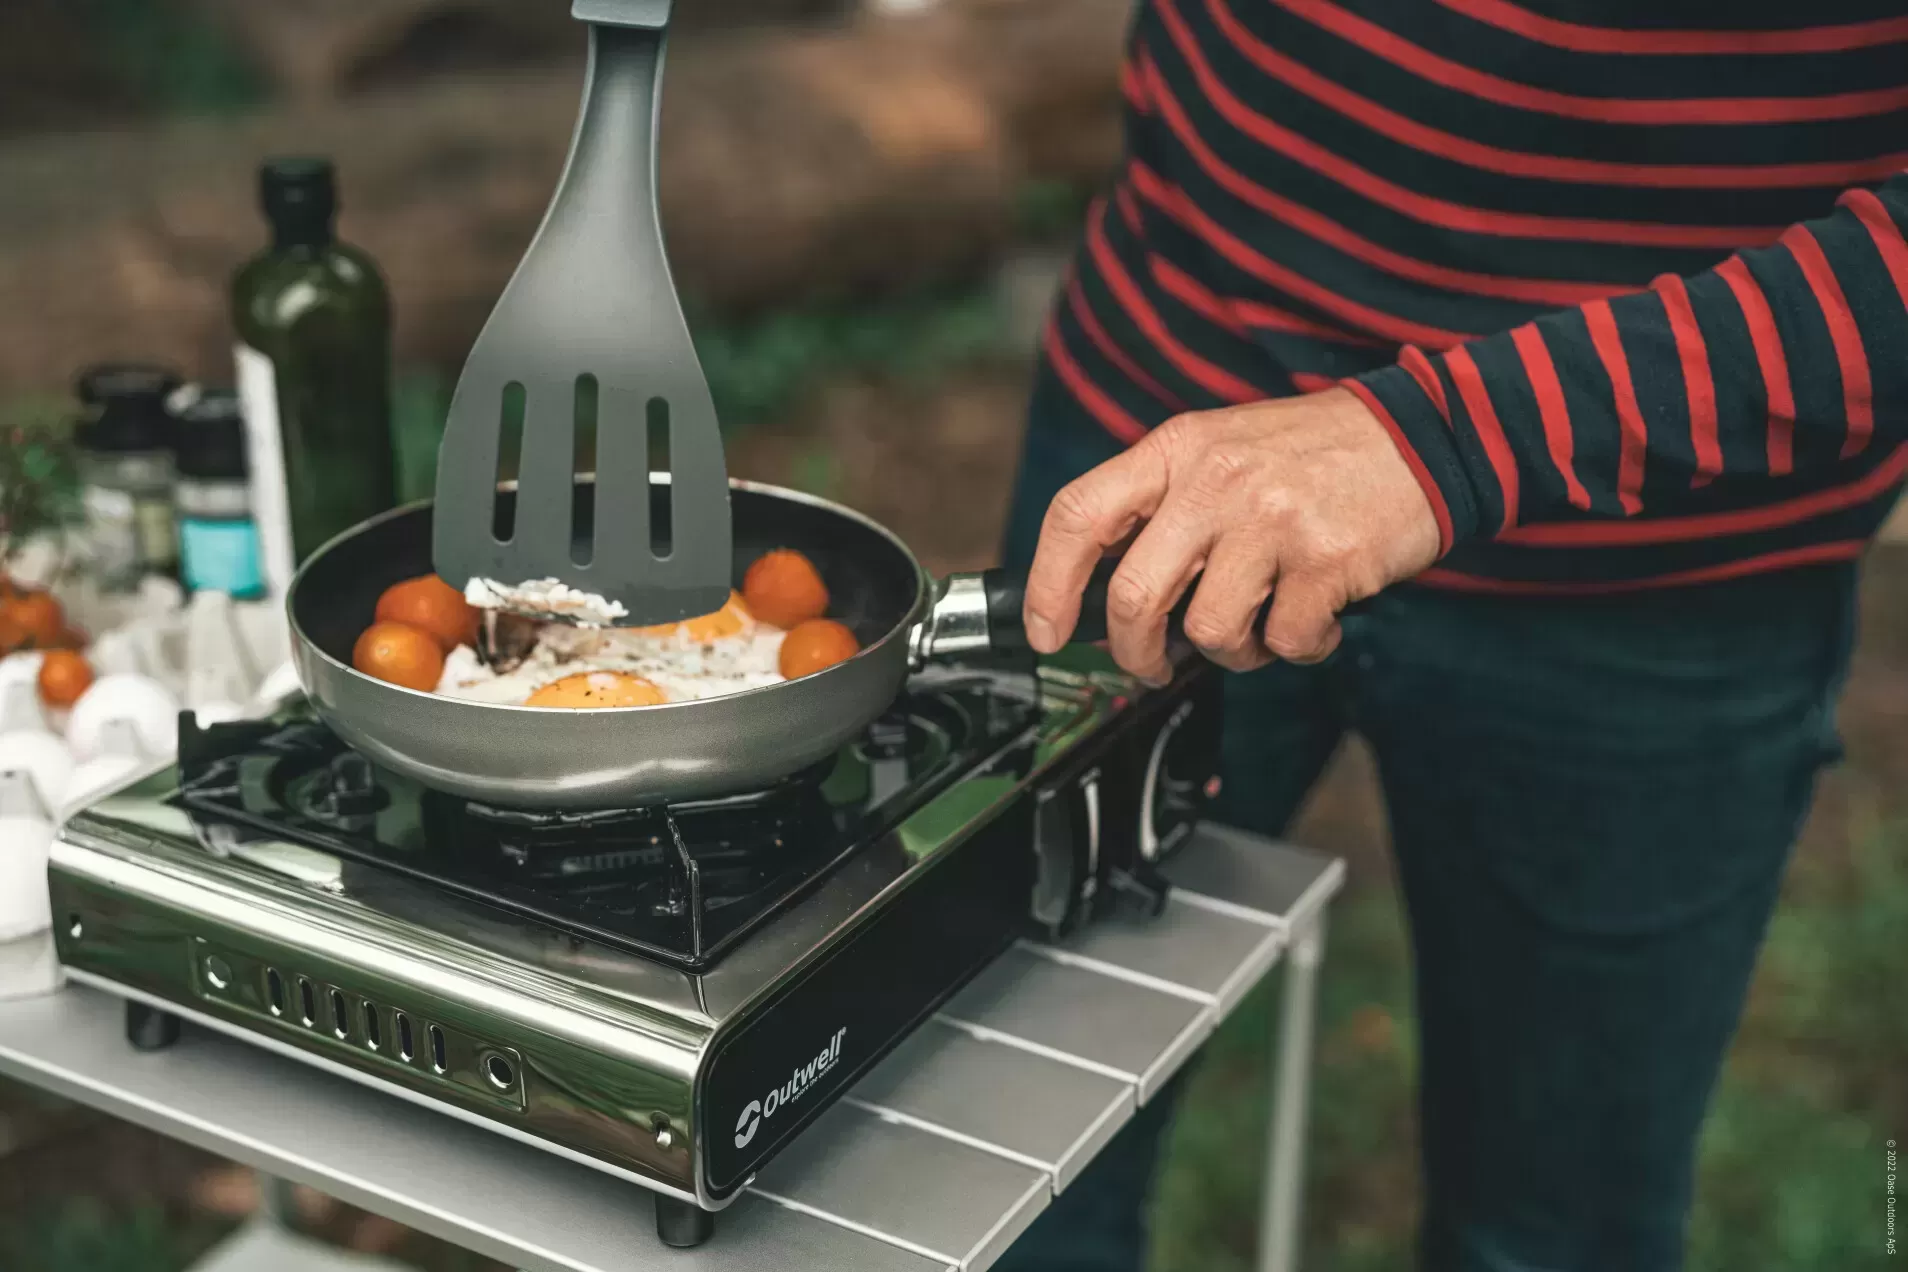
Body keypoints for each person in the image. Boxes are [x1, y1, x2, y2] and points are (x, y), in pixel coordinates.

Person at [991, 2, 1907, 1270]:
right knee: (1008, 1161)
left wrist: (1461, 436)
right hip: (1166, 428)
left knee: (1551, 1238)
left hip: (1666, 580)